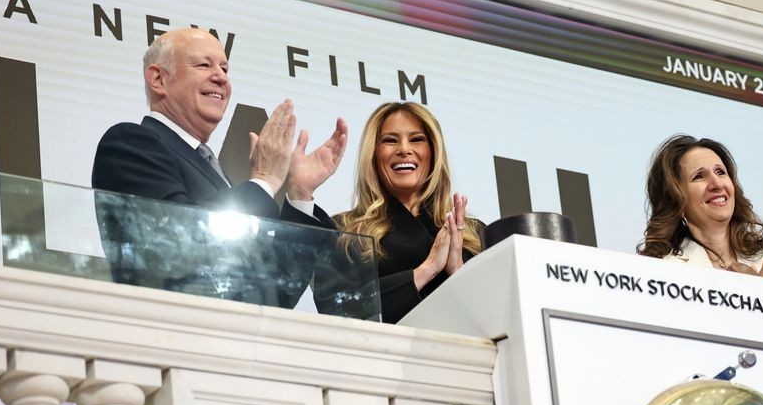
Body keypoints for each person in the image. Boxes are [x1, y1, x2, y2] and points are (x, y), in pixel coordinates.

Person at [91, 28, 348, 305]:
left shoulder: (216, 173)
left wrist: (299, 195)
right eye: (204, 64)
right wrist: (263, 180)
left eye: (225, 68)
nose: (221, 77)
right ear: (158, 79)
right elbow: (173, 249)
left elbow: (275, 293)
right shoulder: (131, 144)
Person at [333, 102, 484, 323]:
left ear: (433, 152)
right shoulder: (345, 232)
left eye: (417, 139)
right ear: (374, 154)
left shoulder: (474, 236)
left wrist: (459, 273)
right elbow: (342, 311)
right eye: (390, 140)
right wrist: (428, 268)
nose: (404, 149)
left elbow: (499, 320)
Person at [637, 134, 763, 283]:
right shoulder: (663, 271)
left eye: (720, 172)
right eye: (698, 176)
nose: (717, 184)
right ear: (676, 201)